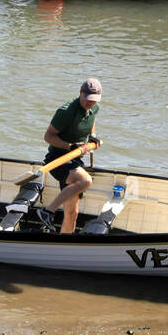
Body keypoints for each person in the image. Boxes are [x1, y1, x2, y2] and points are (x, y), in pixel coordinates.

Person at [41, 78, 103, 234]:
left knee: (72, 213)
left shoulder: (94, 108)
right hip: (58, 160)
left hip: (75, 160)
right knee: (85, 180)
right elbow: (48, 137)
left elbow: (91, 120)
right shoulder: (66, 111)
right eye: (88, 99)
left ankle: (63, 246)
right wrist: (70, 146)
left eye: (94, 101)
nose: (91, 103)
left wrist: (93, 136)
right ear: (81, 92)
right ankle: (47, 211)